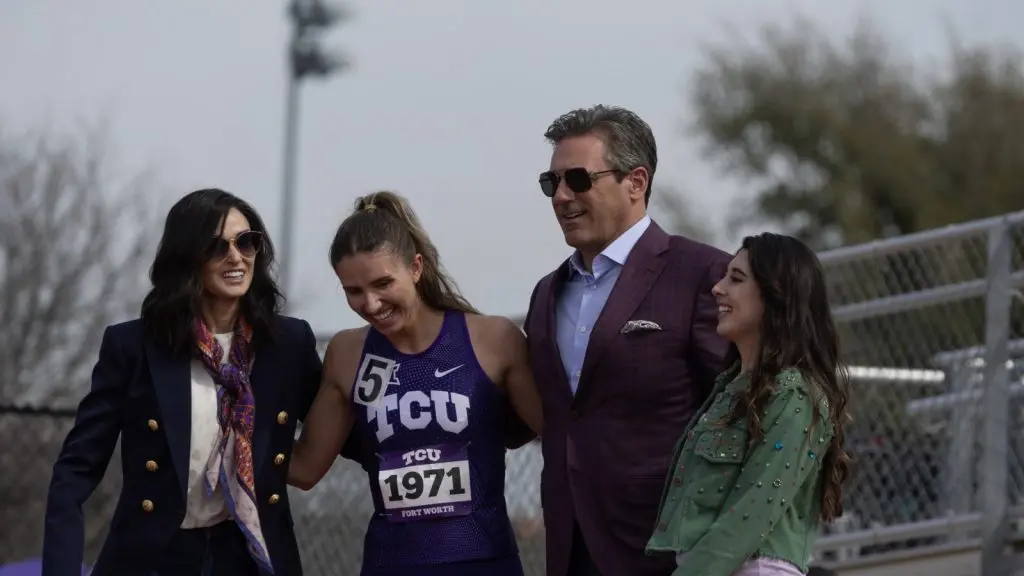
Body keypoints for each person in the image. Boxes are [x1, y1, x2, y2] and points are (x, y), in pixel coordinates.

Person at [42, 188, 323, 575]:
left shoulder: (288, 344)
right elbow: (76, 470)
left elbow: (341, 429)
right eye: (216, 246)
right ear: (187, 257)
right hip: (154, 557)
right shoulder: (133, 346)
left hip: (248, 557)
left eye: (246, 242)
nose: (236, 257)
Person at [517, 104, 733, 576]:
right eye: (551, 183)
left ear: (636, 182)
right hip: (571, 547)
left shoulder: (704, 275)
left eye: (577, 179)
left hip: (673, 550)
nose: (561, 196)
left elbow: (744, 410)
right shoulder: (545, 294)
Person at [287, 191, 544, 576]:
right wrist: (228, 436)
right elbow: (306, 468)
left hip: (484, 562)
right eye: (353, 292)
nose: (371, 303)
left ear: (417, 268)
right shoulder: (347, 353)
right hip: (391, 564)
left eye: (382, 283)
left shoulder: (493, 339)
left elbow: (562, 437)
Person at [645, 233, 852, 576]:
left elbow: (749, 515)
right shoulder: (730, 388)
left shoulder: (796, 395)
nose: (718, 288)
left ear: (777, 294)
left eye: (736, 279)